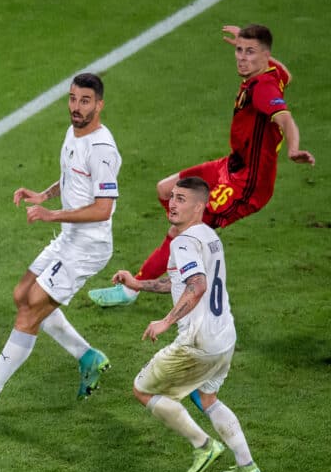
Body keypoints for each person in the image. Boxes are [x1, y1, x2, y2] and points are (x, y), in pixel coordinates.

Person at [90, 23, 315, 308]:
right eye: (239, 50)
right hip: (230, 165)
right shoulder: (271, 73)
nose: (241, 57)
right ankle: (186, 243)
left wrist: (293, 148)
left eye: (250, 52)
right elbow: (287, 75)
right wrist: (258, 54)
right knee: (166, 189)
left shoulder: (262, 88)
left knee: (177, 229)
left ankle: (132, 289)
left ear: (265, 54)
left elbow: (284, 118)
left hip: (246, 187)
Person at [0, 73, 119, 409]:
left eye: (85, 101)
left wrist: (51, 213)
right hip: (70, 238)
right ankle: (87, 356)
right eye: (72, 98)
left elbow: (102, 208)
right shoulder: (74, 133)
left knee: (30, 312)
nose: (76, 107)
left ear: (99, 105)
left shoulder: (102, 149)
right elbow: (73, 175)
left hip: (88, 246)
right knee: (22, 294)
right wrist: (45, 193)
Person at [110, 176, 260, 472]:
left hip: (198, 341)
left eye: (182, 199)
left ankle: (203, 446)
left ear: (199, 207)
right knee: (209, 399)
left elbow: (198, 285)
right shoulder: (208, 236)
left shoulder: (184, 241)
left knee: (142, 389)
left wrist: (165, 322)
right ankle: (248, 467)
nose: (173, 204)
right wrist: (139, 283)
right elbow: (180, 283)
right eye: (173, 197)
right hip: (224, 338)